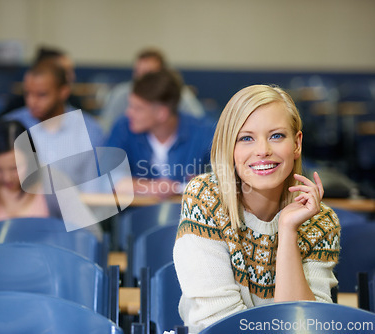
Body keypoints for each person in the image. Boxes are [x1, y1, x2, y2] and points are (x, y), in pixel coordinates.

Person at [173, 85, 340, 333]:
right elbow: (220, 324)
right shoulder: (205, 198)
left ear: (297, 143)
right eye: (246, 138)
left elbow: (306, 326)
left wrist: (288, 230)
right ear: (229, 148)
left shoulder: (321, 221)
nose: (263, 150)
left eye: (276, 136)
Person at [106, 69, 214, 198]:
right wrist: (150, 188)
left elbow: (225, 178)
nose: (129, 113)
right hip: (136, 215)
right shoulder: (123, 128)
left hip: (190, 214)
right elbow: (108, 178)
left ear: (162, 113)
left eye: (138, 108)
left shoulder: (204, 133)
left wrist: (204, 182)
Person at [3, 61, 104, 193]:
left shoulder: (90, 130)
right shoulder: (8, 127)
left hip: (74, 210)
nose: (32, 101)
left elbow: (94, 191)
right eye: (27, 94)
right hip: (22, 211)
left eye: (41, 94)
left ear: (63, 92)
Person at [100, 47, 205, 132]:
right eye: (138, 73)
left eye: (148, 74)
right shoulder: (122, 94)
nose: (141, 79)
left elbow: (198, 122)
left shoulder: (178, 93)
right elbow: (106, 127)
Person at [0, 46, 82, 116]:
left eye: (41, 95)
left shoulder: (76, 107)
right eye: (64, 72)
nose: (72, 76)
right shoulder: (16, 112)